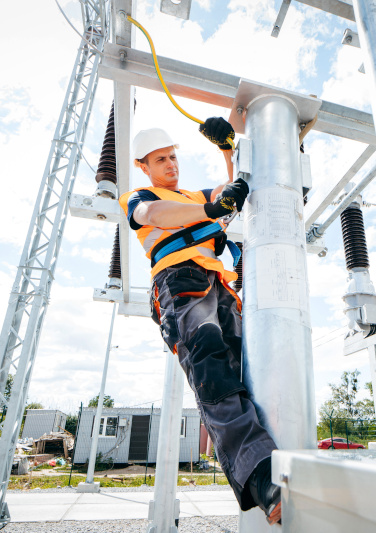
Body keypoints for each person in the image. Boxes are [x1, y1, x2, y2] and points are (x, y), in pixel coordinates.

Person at [118, 117, 281, 524]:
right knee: (212, 365)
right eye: (161, 159)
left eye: (173, 157)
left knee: (253, 363)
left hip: (219, 285)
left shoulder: (195, 193)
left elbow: (230, 193)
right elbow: (156, 212)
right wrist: (210, 209)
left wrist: (227, 150)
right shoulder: (137, 195)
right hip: (179, 282)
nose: (171, 165)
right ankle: (261, 474)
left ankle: (279, 455)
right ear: (145, 166)